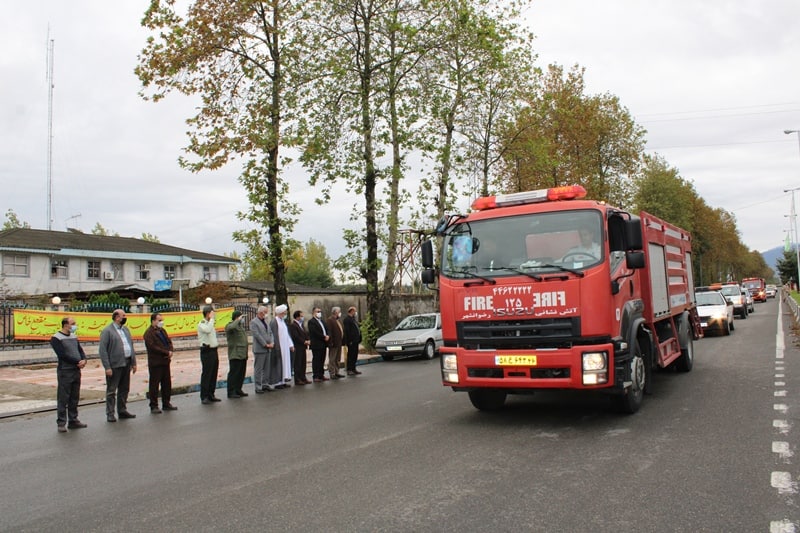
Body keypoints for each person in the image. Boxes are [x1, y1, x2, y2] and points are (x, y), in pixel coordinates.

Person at [99, 309, 137, 422]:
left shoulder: (125, 330)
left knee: (124, 389)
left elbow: (131, 346)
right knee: (112, 390)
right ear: (116, 318)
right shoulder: (107, 331)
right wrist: (107, 367)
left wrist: (133, 362)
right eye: (123, 315)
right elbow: (103, 351)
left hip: (126, 363)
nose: (125, 317)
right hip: (114, 365)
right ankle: (110, 413)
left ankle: (122, 410)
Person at [50, 316, 87, 432]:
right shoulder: (56, 338)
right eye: (73, 323)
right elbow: (62, 355)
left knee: (74, 397)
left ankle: (73, 420)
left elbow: (80, 350)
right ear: (66, 325)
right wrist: (77, 362)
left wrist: (84, 360)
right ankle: (61, 422)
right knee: (63, 397)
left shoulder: (74, 336)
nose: (74, 325)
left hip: (76, 370)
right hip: (65, 371)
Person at [143, 312, 178, 413]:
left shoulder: (162, 331)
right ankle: (154, 405)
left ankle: (166, 403)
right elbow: (153, 347)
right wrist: (166, 352)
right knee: (154, 385)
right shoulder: (148, 333)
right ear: (153, 321)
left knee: (167, 384)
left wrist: (170, 350)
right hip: (156, 362)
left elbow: (168, 341)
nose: (161, 322)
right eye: (159, 320)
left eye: (162, 320)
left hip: (165, 361)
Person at [250, 305, 278, 392]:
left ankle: (265, 384)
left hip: (268, 348)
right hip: (260, 349)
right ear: (261, 312)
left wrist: (272, 342)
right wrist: (265, 344)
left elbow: (270, 333)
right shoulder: (253, 322)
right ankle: (258, 386)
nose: (266, 314)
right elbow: (257, 335)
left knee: (267, 368)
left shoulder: (265, 321)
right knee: (259, 368)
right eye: (265, 312)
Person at [197, 305, 221, 404]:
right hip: (206, 350)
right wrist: (211, 320)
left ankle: (211, 394)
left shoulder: (211, 324)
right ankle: (204, 396)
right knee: (207, 374)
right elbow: (207, 330)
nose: (213, 314)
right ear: (207, 313)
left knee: (213, 373)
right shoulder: (202, 323)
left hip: (213, 350)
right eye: (212, 312)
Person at [225, 309, 249, 398]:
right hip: (235, 354)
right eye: (241, 317)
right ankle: (231, 391)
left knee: (241, 373)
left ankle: (238, 389)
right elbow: (231, 328)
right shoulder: (230, 325)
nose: (243, 319)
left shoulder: (240, 326)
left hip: (242, 354)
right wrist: (237, 320)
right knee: (234, 373)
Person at [270, 304, 294, 387]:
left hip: (285, 347)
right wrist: (276, 346)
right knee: (279, 364)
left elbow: (287, 334)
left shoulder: (283, 321)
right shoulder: (274, 321)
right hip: (279, 347)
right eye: (284, 312)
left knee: (285, 363)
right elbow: (274, 335)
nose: (285, 314)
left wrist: (290, 345)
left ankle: (283, 380)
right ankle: (278, 382)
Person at [307, 306, 329, 383]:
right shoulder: (311, 322)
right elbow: (314, 332)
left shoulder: (322, 321)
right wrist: (323, 337)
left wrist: (327, 336)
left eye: (320, 311)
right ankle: (316, 375)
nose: (319, 313)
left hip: (323, 343)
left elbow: (326, 329)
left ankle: (321, 374)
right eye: (317, 311)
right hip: (316, 344)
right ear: (313, 312)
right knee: (316, 360)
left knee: (322, 359)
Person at [289, 309, 311, 385]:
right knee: (298, 363)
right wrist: (303, 341)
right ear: (297, 317)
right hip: (298, 347)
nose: (302, 317)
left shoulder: (301, 325)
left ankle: (303, 377)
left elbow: (305, 334)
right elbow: (296, 336)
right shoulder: (293, 325)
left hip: (303, 347)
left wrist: (308, 340)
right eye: (301, 316)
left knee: (303, 363)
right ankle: (297, 379)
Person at [326, 306, 345, 379]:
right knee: (332, 358)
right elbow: (330, 332)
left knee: (338, 358)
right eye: (339, 311)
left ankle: (337, 372)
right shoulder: (330, 320)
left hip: (339, 342)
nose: (340, 313)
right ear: (335, 312)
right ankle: (332, 372)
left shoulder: (337, 320)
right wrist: (330, 342)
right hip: (334, 343)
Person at [343, 306, 362, 376]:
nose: (355, 312)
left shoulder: (353, 319)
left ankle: (354, 368)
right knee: (350, 355)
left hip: (356, 340)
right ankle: (349, 369)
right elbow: (347, 331)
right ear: (351, 311)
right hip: (351, 341)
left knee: (354, 355)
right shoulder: (347, 320)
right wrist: (349, 340)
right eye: (354, 311)